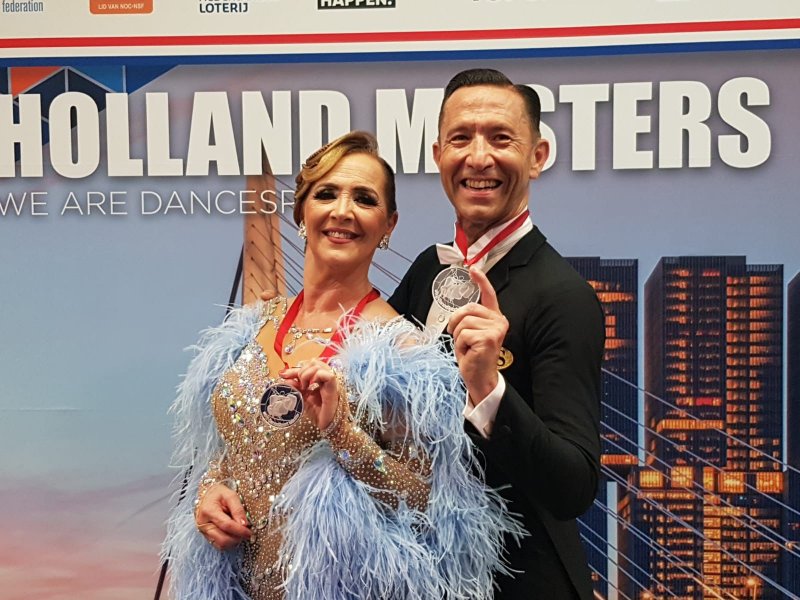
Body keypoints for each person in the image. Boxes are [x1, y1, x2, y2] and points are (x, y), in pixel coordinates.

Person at [162, 131, 521, 600]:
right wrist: (209, 492)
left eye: (364, 199)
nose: (343, 211)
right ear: (301, 212)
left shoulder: (402, 353)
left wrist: (341, 432)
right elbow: (235, 450)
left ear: (388, 225)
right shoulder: (251, 325)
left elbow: (428, 503)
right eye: (327, 194)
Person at [388, 69, 605, 599]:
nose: (478, 157)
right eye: (461, 138)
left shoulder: (563, 295)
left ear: (537, 156)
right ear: (438, 154)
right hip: (428, 575)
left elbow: (574, 487)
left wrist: (489, 390)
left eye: (501, 138)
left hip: (521, 582)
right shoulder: (428, 269)